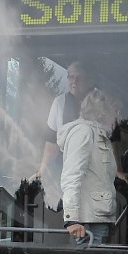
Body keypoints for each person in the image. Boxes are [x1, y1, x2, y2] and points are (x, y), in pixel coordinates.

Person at [58, 88, 121, 245]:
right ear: (101, 112)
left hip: (98, 219)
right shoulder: (83, 132)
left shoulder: (100, 135)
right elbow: (71, 176)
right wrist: (71, 220)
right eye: (116, 110)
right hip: (86, 225)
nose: (118, 115)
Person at [37, 61, 95, 209]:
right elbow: (52, 140)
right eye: (71, 77)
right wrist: (43, 169)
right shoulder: (59, 103)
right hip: (66, 168)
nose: (74, 81)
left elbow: (112, 139)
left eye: (79, 77)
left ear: (89, 80)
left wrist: (118, 170)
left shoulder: (99, 102)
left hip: (94, 168)